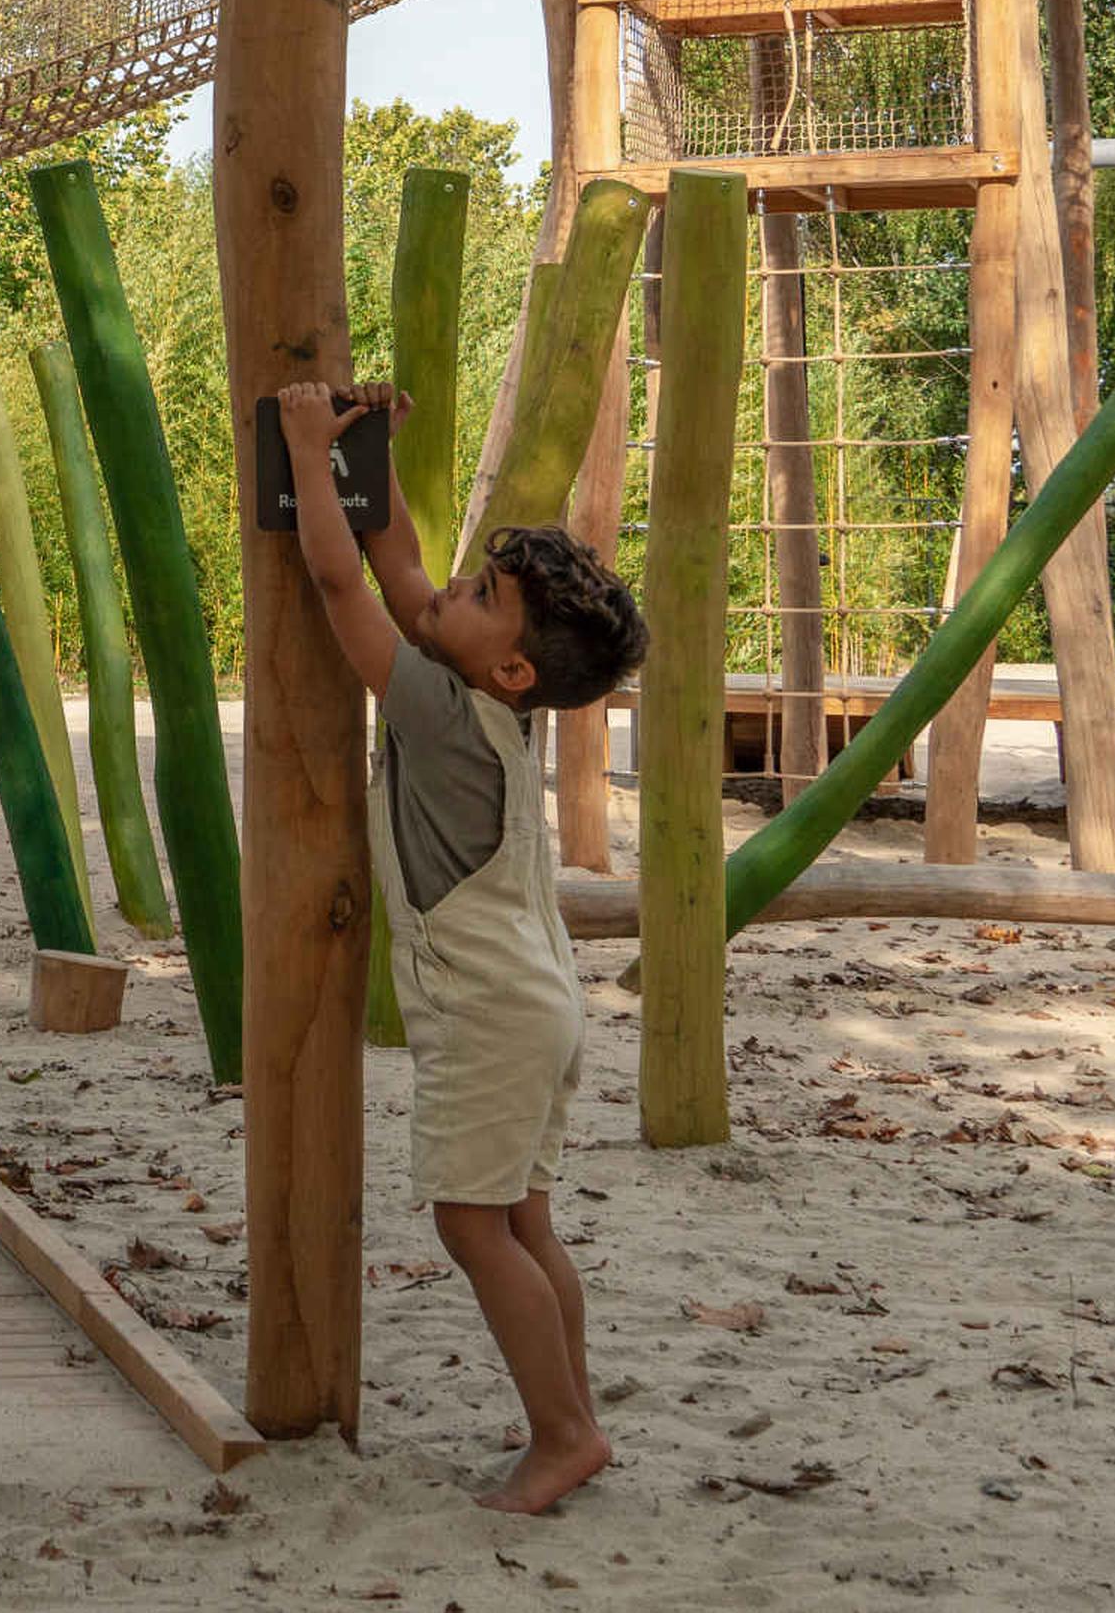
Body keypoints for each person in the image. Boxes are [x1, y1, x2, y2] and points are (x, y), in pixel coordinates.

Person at [275, 378, 650, 1515]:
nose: (452, 590)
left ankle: (563, 1432)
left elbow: (343, 583)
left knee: (471, 1225)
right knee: (526, 1219)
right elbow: (399, 566)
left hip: (491, 1017)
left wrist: (305, 453)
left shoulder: (437, 713)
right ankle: (576, 1415)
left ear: (515, 667)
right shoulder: (490, 701)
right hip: (542, 1005)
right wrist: (370, 456)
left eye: (483, 595)